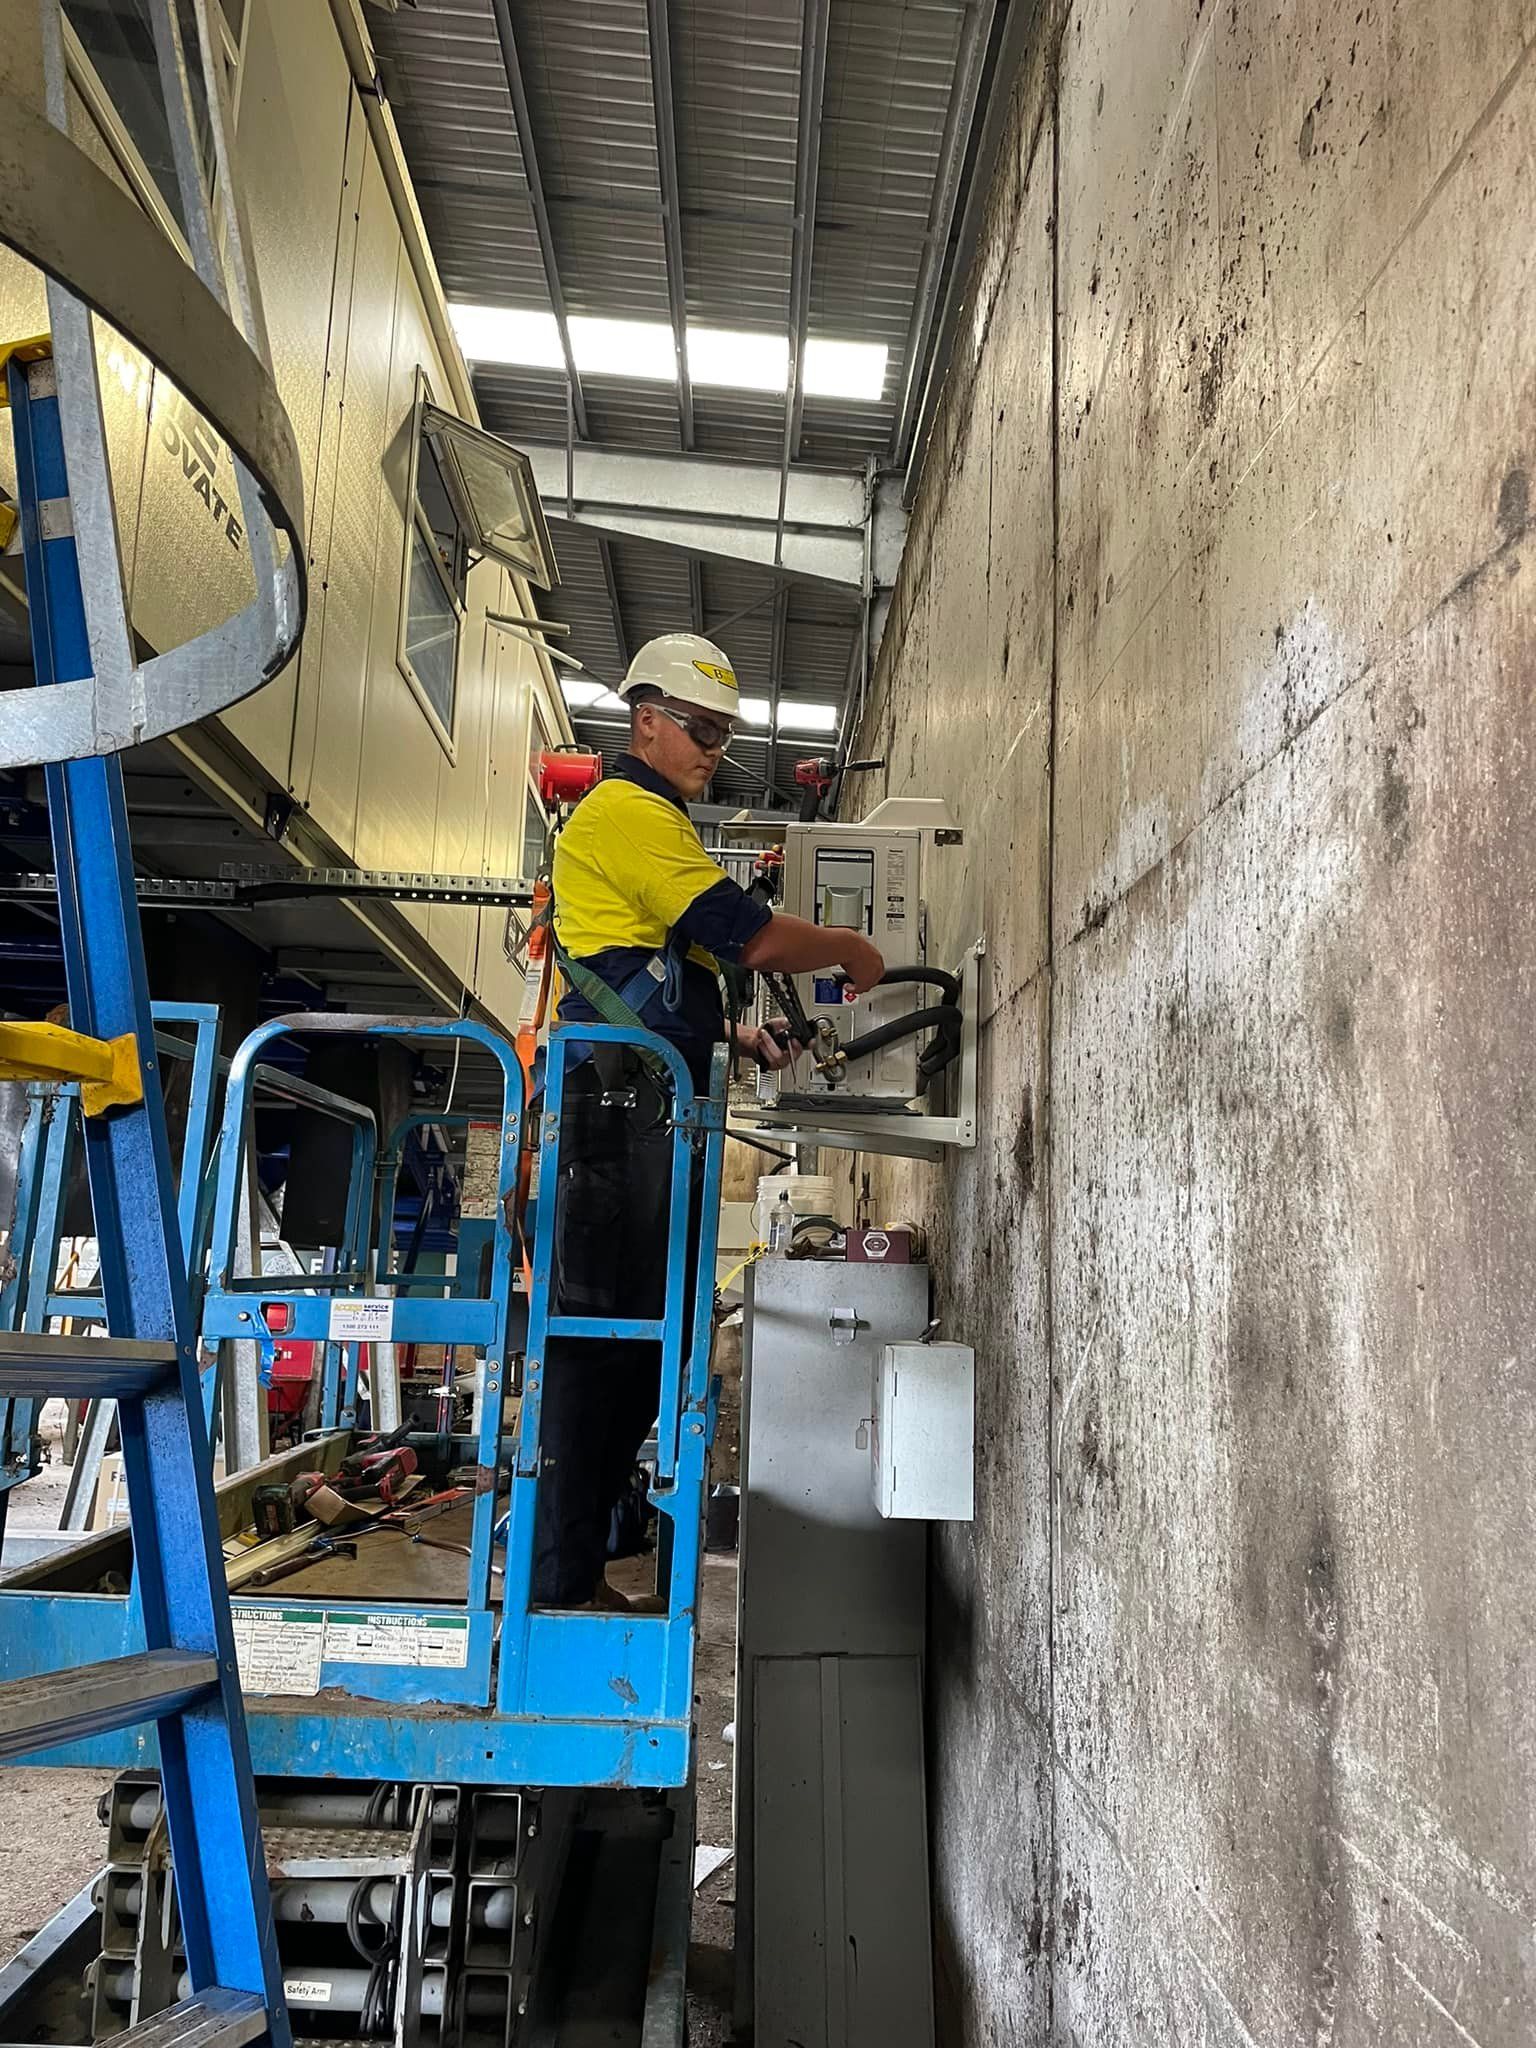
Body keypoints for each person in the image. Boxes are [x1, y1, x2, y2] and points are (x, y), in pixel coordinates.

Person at [530, 632, 885, 1608]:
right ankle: (562, 1577)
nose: (710, 749)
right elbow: (751, 934)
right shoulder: (628, 813)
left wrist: (735, 1035)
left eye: (723, 735)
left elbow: (659, 974)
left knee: (639, 1336)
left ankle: (586, 1558)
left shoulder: (657, 822)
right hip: (616, 1112)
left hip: (644, 1104)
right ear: (645, 719)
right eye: (698, 728)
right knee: (603, 1337)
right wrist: (851, 946)